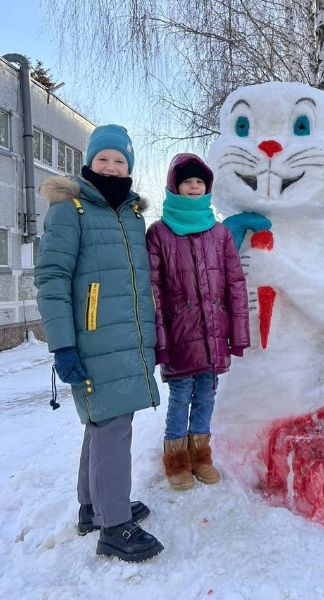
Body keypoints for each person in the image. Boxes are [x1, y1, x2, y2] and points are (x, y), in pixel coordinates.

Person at [35, 124, 163, 563]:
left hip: (126, 337)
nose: (111, 166)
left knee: (102, 422)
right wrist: (62, 346)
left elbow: (137, 284)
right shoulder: (70, 208)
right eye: (104, 158)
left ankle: (94, 508)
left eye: (120, 160)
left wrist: (151, 338)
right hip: (91, 339)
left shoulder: (131, 214)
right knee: (113, 427)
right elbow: (51, 278)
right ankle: (114, 528)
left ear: (129, 167)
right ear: (89, 162)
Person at [146, 153, 250, 491]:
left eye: (199, 181)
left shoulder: (218, 234)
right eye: (187, 181)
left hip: (213, 334)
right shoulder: (158, 233)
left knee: (206, 396)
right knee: (180, 397)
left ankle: (201, 456)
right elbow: (153, 290)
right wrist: (159, 338)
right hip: (179, 336)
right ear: (174, 187)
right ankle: (176, 460)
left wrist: (238, 334)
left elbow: (236, 284)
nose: (194, 186)